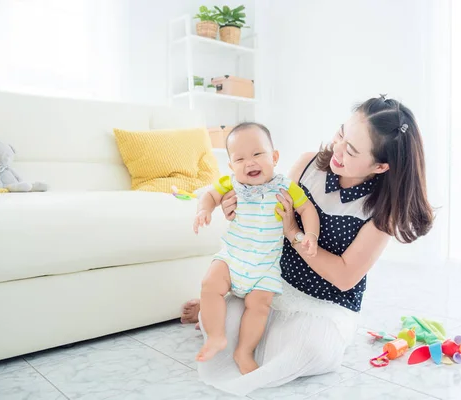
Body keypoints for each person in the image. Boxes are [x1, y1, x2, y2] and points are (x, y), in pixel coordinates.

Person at [182, 96, 434, 396]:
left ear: (379, 166)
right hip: (276, 281)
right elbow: (267, 208)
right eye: (341, 134)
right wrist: (233, 204)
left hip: (326, 303)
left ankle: (246, 325)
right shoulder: (307, 165)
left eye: (351, 150)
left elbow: (343, 277)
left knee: (310, 348)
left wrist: (293, 231)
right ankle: (225, 306)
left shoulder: (383, 210)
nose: (336, 149)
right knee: (221, 317)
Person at [193, 122, 321, 375]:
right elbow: (209, 195)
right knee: (210, 285)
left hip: (265, 265)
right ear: (231, 166)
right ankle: (216, 336)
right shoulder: (230, 183)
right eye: (239, 158)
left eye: (257, 154)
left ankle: (244, 351)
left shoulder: (286, 186)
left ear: (274, 157)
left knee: (259, 306)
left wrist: (311, 236)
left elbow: (307, 209)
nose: (249, 162)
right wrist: (203, 210)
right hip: (232, 257)